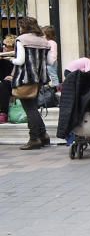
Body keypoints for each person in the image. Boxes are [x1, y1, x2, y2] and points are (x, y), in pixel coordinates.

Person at [7, 17, 54, 150]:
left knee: (30, 109)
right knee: (33, 107)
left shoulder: (21, 39)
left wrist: (11, 60)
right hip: (39, 79)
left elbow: (20, 61)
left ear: (24, 27)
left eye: (20, 26)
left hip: (24, 79)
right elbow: (50, 61)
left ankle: (34, 139)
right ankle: (43, 135)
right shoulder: (44, 40)